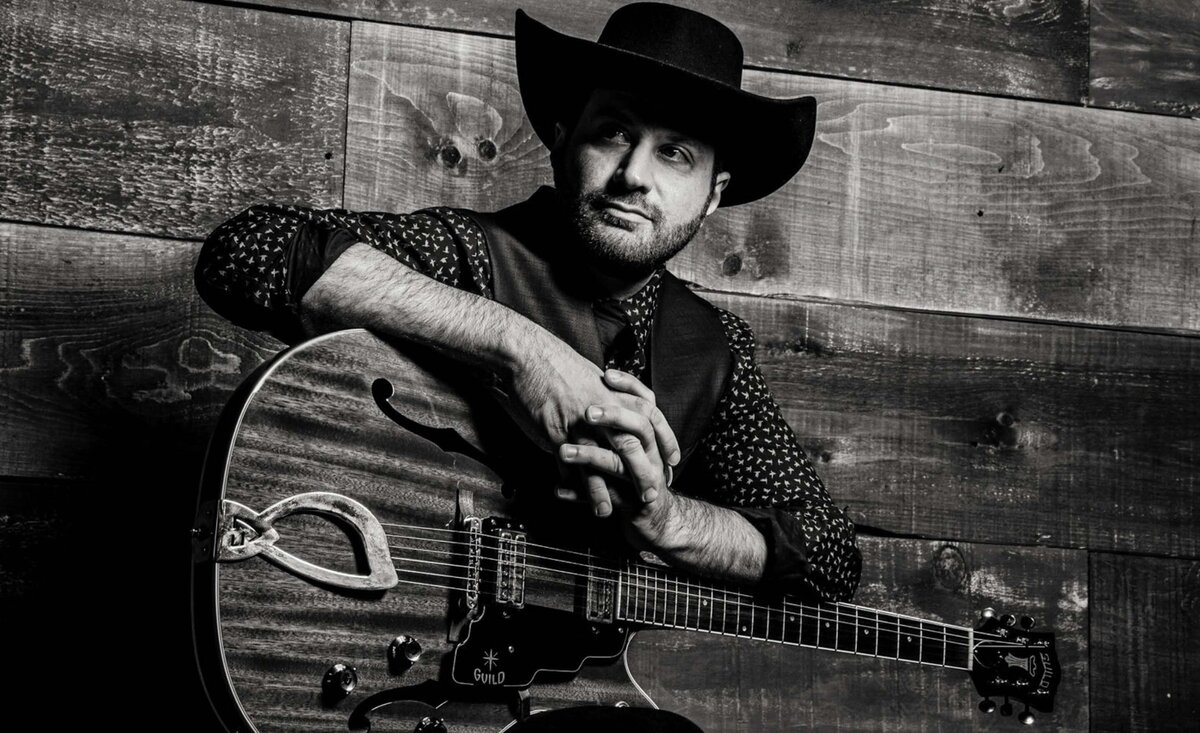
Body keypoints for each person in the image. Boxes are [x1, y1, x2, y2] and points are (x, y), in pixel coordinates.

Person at [196, 3, 860, 730]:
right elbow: (247, 252)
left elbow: (826, 554)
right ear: (560, 137)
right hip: (392, 656)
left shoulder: (714, 351)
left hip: (534, 703)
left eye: (676, 153)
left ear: (714, 193)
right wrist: (517, 347)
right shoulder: (471, 254)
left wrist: (667, 519)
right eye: (614, 132)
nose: (634, 174)